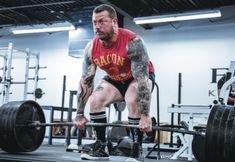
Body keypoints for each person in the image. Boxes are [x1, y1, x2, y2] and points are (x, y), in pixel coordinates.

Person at [73, 4, 155, 161]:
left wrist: (145, 116)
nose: (97, 27)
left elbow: (142, 79)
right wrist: (79, 114)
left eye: (102, 22)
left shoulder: (133, 42)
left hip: (138, 77)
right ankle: (101, 148)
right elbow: (86, 81)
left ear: (114, 22)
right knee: (95, 100)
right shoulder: (91, 48)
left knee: (132, 98)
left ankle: (136, 151)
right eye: (94, 23)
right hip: (115, 78)